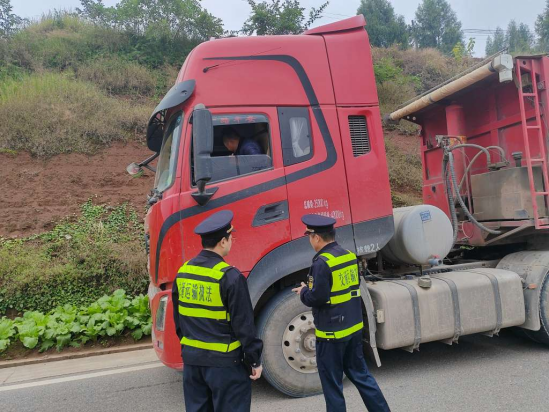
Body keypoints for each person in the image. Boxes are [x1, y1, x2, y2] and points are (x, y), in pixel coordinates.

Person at [292, 214, 390, 412]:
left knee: (333, 387)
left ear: (316, 237)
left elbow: (316, 298)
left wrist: (303, 291)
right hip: (353, 329)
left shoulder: (321, 263)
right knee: (362, 376)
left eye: (309, 236)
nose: (310, 240)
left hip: (331, 335)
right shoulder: (349, 256)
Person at [172, 210, 263, 412]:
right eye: (231, 238)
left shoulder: (183, 272)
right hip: (225, 365)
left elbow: (179, 320)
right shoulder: (230, 277)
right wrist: (254, 360)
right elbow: (244, 326)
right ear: (223, 241)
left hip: (193, 362)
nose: (231, 242)